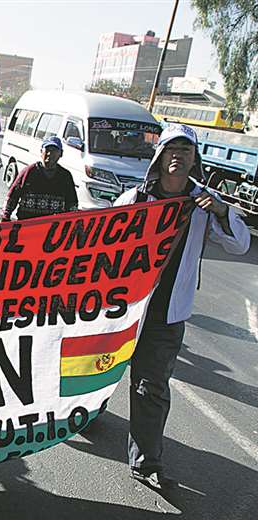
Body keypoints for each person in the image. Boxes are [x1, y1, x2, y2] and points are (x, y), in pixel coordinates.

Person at [114, 123, 250, 490]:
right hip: (121, 312)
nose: (178, 156)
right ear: (160, 156)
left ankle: (146, 462)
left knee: (150, 387)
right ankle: (81, 418)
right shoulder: (135, 200)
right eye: (172, 149)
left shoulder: (205, 203)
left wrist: (221, 213)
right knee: (97, 375)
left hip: (166, 317)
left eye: (186, 151)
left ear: (194, 159)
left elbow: (239, 244)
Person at [2, 136, 78, 221]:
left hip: (52, 227)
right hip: (27, 224)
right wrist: (5, 218)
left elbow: (72, 204)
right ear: (41, 151)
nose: (50, 153)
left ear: (61, 154)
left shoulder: (65, 177)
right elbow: (12, 197)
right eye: (47, 150)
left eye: (54, 151)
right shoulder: (28, 172)